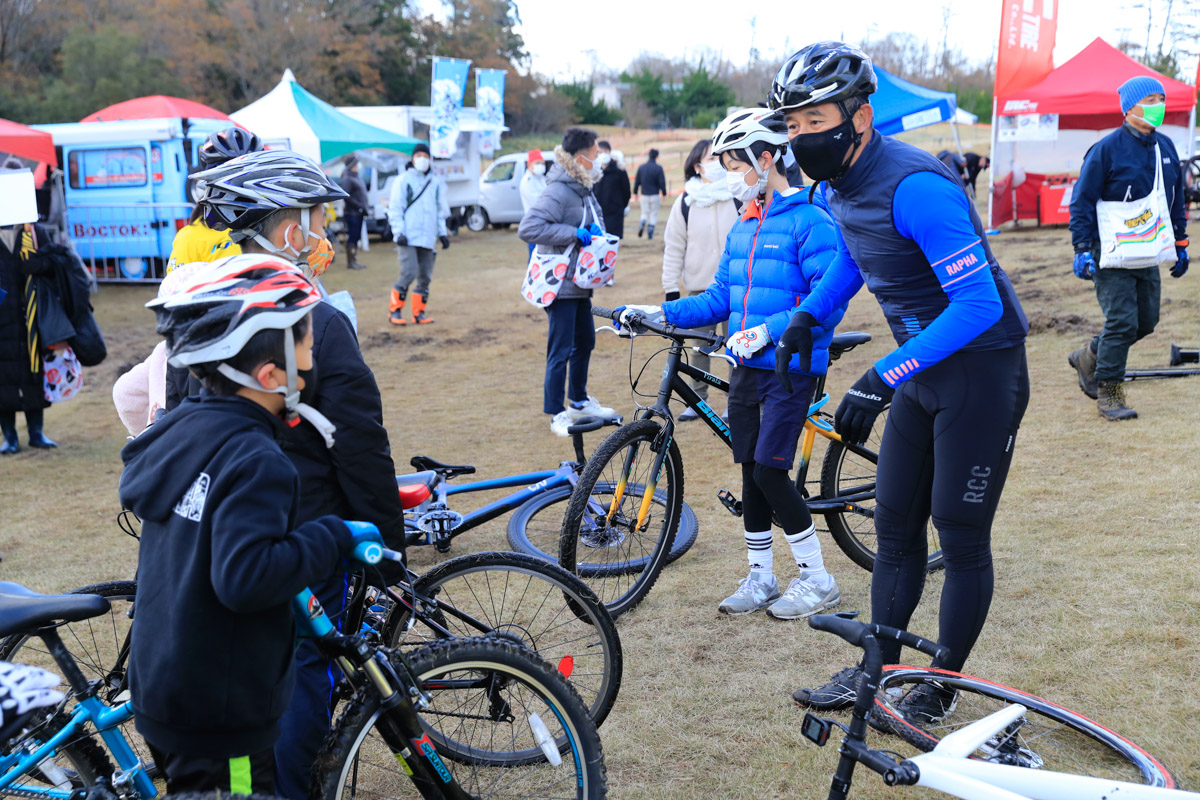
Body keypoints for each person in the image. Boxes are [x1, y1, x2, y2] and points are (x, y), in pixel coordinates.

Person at [770, 42, 1029, 720]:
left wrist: (882, 374)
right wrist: (807, 313)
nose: (802, 136)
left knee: (961, 533)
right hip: (920, 370)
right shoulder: (838, 186)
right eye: (792, 124)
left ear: (860, 115)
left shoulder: (917, 185)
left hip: (979, 370)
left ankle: (941, 684)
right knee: (894, 529)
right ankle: (874, 673)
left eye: (815, 119)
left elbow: (980, 306)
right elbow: (857, 260)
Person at [119, 256, 385, 796]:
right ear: (270, 375)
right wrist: (331, 535)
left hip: (167, 682)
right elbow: (247, 578)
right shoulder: (258, 458)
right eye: (307, 349)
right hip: (223, 714)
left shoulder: (185, 428)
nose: (313, 363)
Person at [185, 149, 406, 800]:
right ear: (287, 232)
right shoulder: (313, 319)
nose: (324, 235)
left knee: (248, 671)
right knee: (306, 666)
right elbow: (361, 444)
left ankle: (251, 786)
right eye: (318, 220)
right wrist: (386, 543)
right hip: (302, 526)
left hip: (219, 526)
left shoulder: (202, 305)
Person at [621, 109, 846, 619]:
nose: (725, 174)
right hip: (745, 368)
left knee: (770, 470)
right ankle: (762, 577)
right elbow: (720, 296)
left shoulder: (811, 219)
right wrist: (659, 312)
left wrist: (769, 330)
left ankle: (818, 578)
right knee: (749, 467)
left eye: (732, 163)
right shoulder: (746, 223)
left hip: (792, 366)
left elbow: (828, 299)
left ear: (766, 160)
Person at [1067, 75, 1189, 421]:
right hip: (1110, 250)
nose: (1158, 106)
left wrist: (1181, 242)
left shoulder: (1165, 147)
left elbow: (1175, 197)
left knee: (1146, 322)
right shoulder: (1105, 150)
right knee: (1121, 322)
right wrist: (1081, 247)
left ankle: (1089, 355)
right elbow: (1082, 201)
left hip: (1148, 250)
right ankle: (1110, 394)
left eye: (1161, 99)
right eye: (1150, 99)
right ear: (1129, 108)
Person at [518, 127, 620, 437]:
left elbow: (595, 222)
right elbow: (529, 228)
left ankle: (578, 400)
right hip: (559, 283)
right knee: (560, 349)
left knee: (585, 341)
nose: (599, 158)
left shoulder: (584, 187)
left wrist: (597, 235)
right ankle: (555, 412)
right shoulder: (558, 191)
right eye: (594, 154)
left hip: (579, 282)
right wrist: (572, 233)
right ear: (579, 158)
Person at [660, 138, 739, 421]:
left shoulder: (738, 195)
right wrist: (670, 288)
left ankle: (736, 401)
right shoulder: (685, 202)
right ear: (697, 165)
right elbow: (674, 247)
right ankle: (696, 400)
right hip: (699, 289)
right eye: (710, 159)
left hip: (736, 287)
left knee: (736, 347)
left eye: (720, 158)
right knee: (698, 347)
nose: (717, 164)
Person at [167, 127, 263, 273]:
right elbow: (178, 292)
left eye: (247, 174)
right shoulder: (191, 238)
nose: (239, 186)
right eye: (229, 176)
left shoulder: (278, 224)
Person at [0, 222, 61, 453]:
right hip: (3, 316)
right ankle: (10, 437)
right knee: (2, 378)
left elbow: (54, 264)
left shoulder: (34, 232)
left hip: (31, 315)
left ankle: (36, 433)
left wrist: (37, 263)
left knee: (33, 373)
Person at [388, 143, 450, 325]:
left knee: (425, 276)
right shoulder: (403, 180)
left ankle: (419, 313)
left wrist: (443, 233)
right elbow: (395, 208)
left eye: (425, 155)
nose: (422, 159)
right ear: (413, 158)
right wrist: (398, 232)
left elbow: (439, 210)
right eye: (419, 155)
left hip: (428, 236)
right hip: (408, 236)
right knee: (409, 272)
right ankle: (395, 311)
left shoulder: (435, 182)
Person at [593, 140, 631, 237]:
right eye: (599, 152)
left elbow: (626, 191)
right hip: (598, 213)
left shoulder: (619, 170)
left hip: (615, 214)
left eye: (604, 152)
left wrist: (620, 206)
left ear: (609, 152)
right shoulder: (594, 171)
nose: (601, 155)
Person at [339, 156, 368, 270]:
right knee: (353, 238)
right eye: (356, 164)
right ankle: (351, 262)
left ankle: (354, 260)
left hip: (358, 213)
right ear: (351, 166)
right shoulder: (347, 178)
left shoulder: (355, 176)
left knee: (356, 237)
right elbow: (347, 196)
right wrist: (359, 207)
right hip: (353, 214)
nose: (358, 166)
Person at [520, 150, 549, 258]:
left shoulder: (542, 179)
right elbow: (538, 203)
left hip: (545, 223)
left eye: (542, 163)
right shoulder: (527, 182)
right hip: (534, 223)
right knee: (535, 257)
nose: (541, 166)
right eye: (537, 163)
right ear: (529, 165)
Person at [633, 148, 668, 239]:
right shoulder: (658, 168)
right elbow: (662, 183)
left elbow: (637, 181)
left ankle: (643, 222)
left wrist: (635, 192)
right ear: (657, 156)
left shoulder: (641, 167)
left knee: (644, 213)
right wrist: (664, 193)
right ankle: (650, 233)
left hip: (644, 195)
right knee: (653, 214)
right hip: (655, 195)